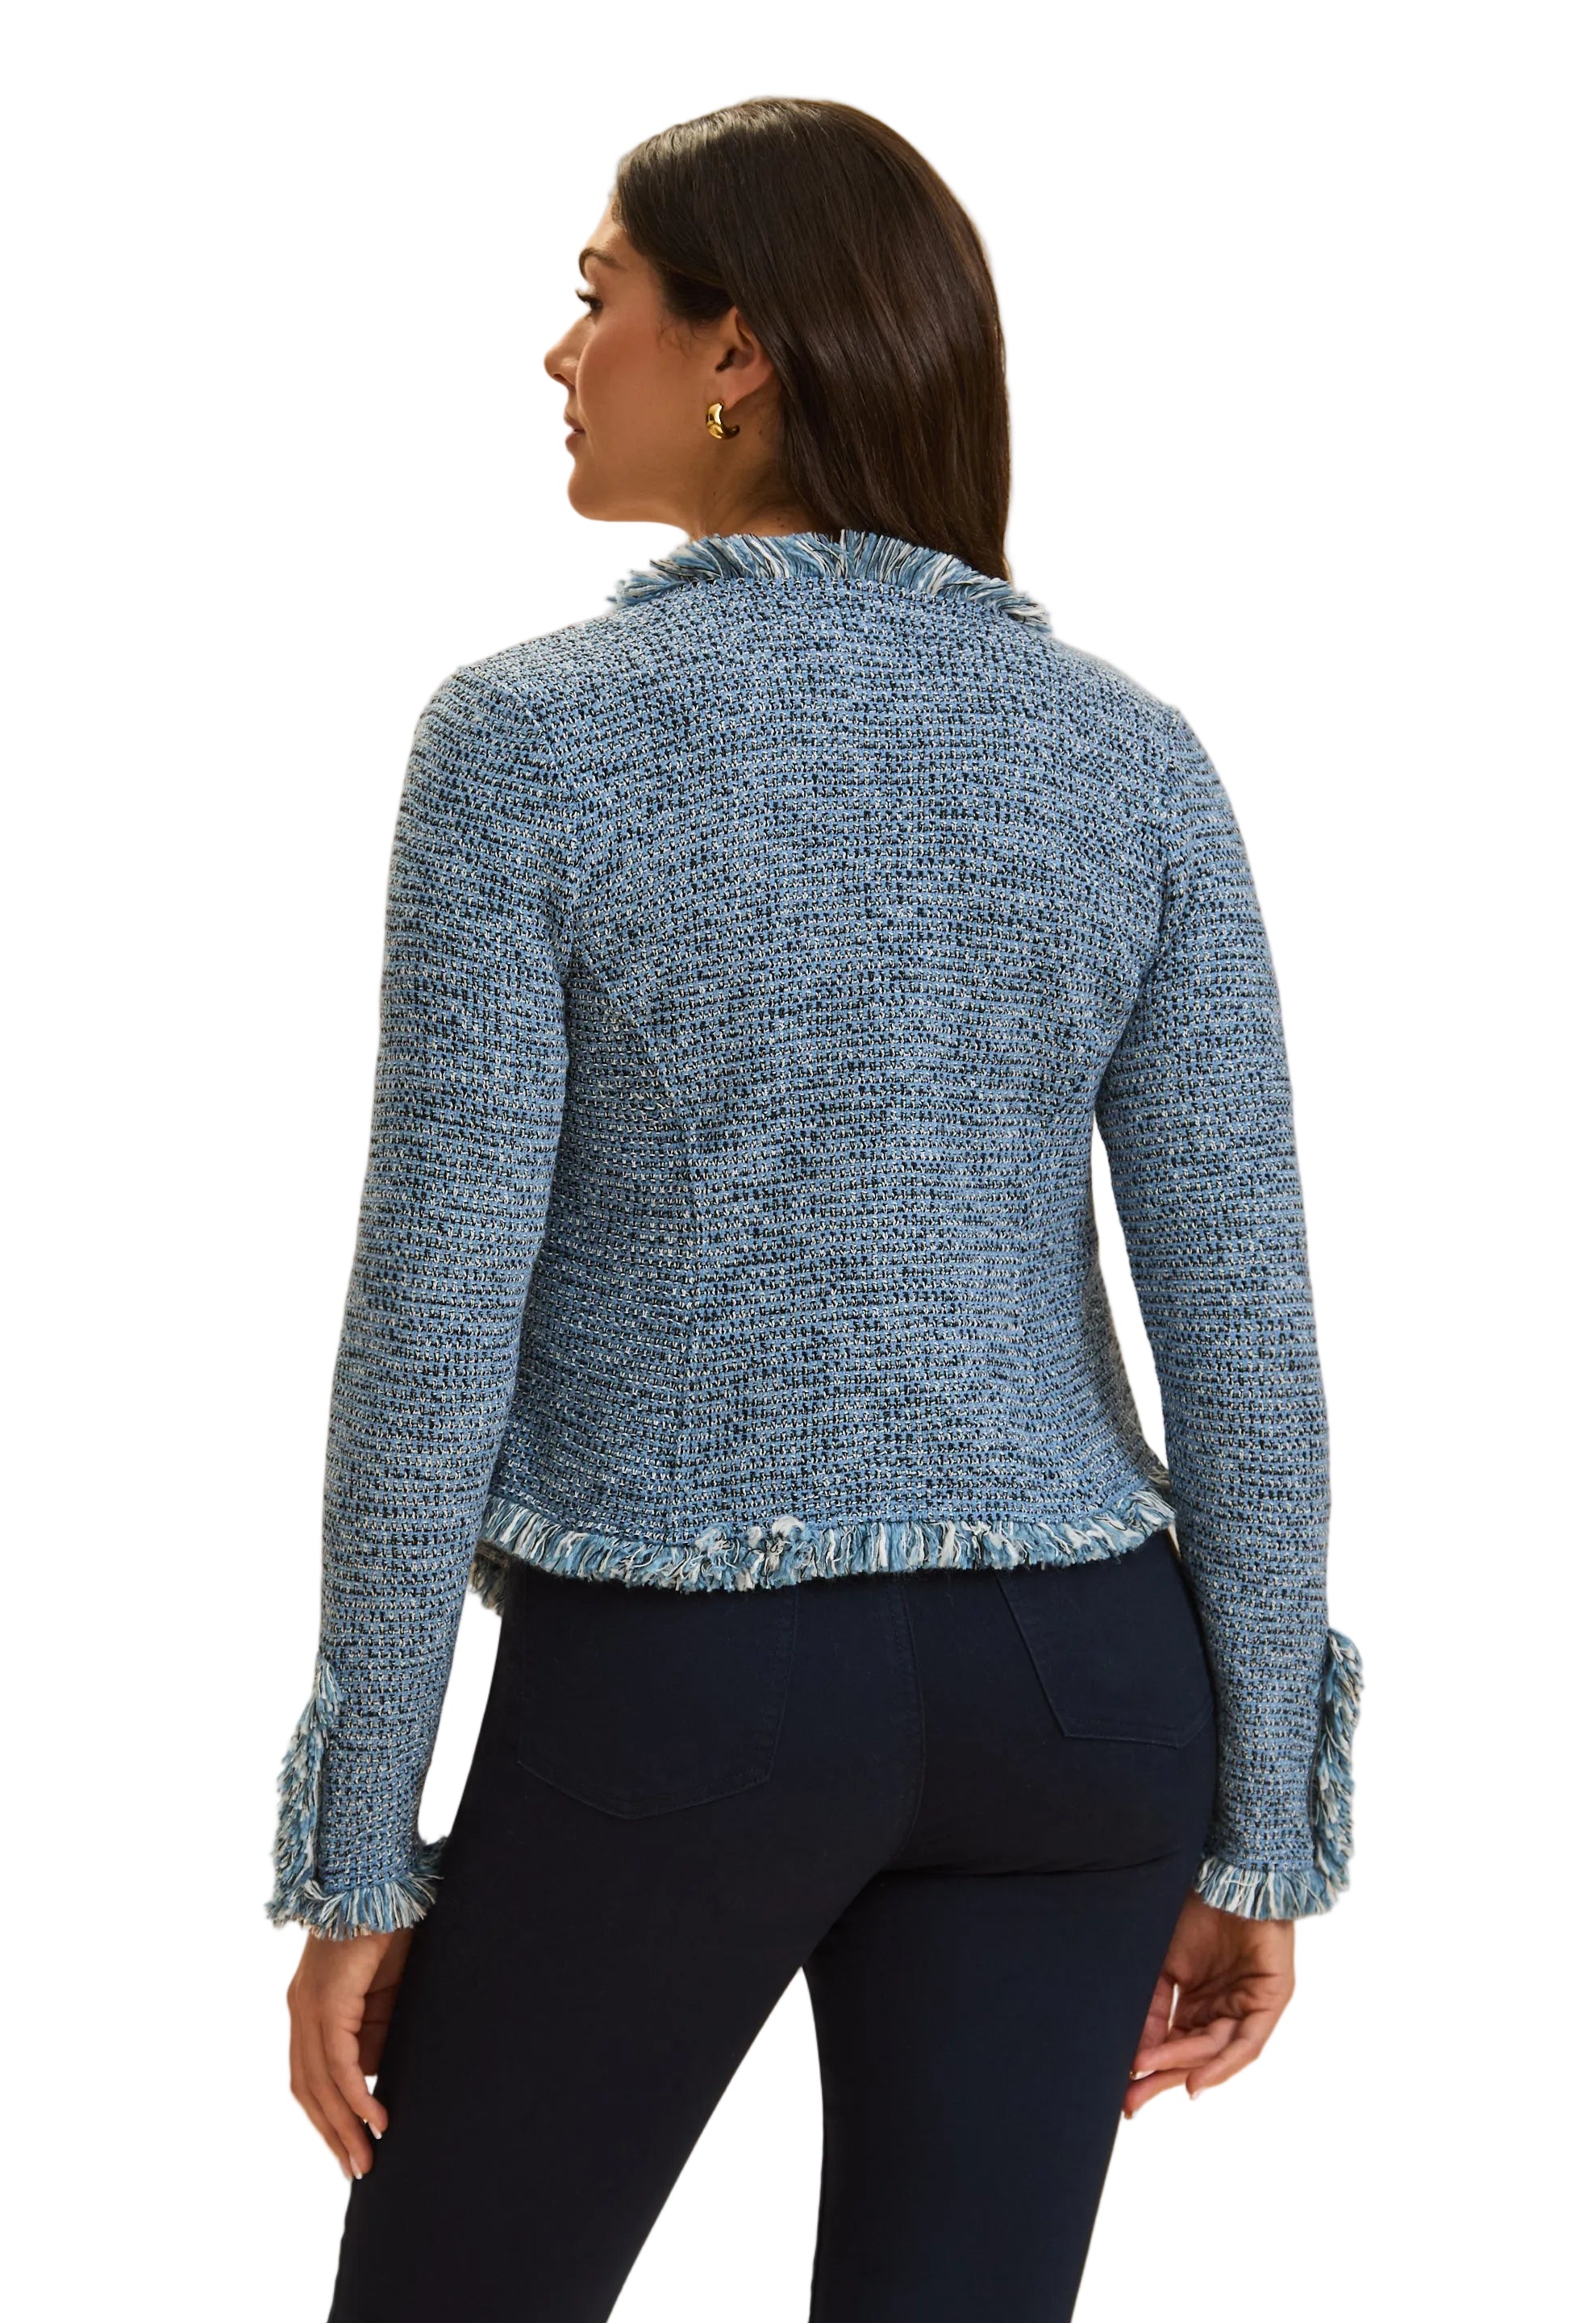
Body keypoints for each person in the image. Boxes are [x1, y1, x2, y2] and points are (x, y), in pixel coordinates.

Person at [269, 95, 1362, 2323]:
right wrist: (1264, 1821)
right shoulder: (1127, 756)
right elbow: (1240, 1314)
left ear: (737, 350)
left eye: (598, 296)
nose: (561, 349)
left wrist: (360, 1842)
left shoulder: (529, 743)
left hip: (687, 1682)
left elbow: (435, 1318)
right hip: (1080, 1698)